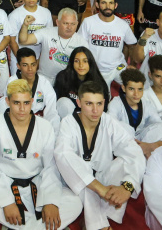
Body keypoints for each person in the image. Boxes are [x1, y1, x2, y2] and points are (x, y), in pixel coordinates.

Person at [0, 78, 82, 230]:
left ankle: (22, 226)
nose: (22, 109)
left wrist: (50, 201)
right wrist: (6, 201)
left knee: (75, 202)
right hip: (6, 181)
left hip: (37, 181)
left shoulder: (45, 126)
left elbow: (51, 166)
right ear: (7, 101)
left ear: (32, 101)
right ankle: (41, 227)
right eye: (16, 103)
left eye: (26, 103)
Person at [54, 80, 146, 230]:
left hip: (104, 179)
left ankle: (92, 219)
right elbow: (63, 154)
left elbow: (133, 151)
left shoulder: (109, 122)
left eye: (99, 104)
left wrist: (127, 187)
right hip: (76, 184)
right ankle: (98, 225)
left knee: (125, 161)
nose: (95, 110)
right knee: (79, 168)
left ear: (104, 102)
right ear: (79, 102)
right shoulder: (68, 123)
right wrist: (99, 189)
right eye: (89, 104)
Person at [0, 48, 60, 133]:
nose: (30, 69)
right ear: (18, 66)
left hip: (38, 121)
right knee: (2, 103)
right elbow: (9, 109)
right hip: (17, 121)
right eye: (25, 65)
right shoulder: (12, 82)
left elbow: (51, 111)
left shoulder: (44, 82)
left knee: (54, 118)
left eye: (33, 64)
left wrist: (53, 132)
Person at [78, 0, 137, 84]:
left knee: (135, 85)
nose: (108, 6)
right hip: (94, 68)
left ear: (115, 5)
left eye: (111, 3)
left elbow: (132, 46)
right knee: (98, 96)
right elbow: (80, 47)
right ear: (97, 5)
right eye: (104, 3)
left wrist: (132, 65)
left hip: (118, 68)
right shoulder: (88, 22)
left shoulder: (123, 25)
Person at [106, 69, 162, 154]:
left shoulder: (146, 104)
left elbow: (158, 123)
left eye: (140, 89)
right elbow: (110, 125)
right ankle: (140, 151)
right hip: (125, 142)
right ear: (124, 88)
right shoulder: (115, 103)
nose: (136, 94)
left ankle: (146, 148)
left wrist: (148, 144)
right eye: (132, 89)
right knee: (121, 127)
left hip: (144, 140)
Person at [17, 7, 83, 81]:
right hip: (44, 79)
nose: (69, 27)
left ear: (77, 23)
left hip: (67, 81)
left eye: (73, 24)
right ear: (58, 22)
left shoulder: (81, 42)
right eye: (65, 23)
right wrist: (25, 25)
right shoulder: (46, 32)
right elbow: (23, 41)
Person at [52, 47, 109, 118]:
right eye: (76, 61)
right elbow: (55, 102)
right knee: (64, 102)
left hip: (90, 117)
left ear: (90, 63)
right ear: (72, 62)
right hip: (68, 118)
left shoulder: (99, 82)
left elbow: (104, 108)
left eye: (85, 61)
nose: (81, 65)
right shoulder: (63, 77)